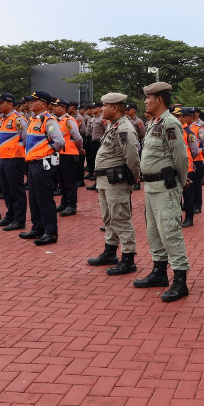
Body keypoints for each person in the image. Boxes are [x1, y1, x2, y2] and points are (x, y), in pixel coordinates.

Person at [132, 82, 193, 302]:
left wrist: (182, 181)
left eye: (148, 98)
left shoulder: (170, 123)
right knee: (154, 232)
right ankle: (159, 272)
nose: (145, 101)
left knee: (170, 232)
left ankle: (180, 280)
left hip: (166, 187)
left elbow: (181, 157)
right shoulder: (153, 123)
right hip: (151, 187)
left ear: (159, 100)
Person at [85, 93, 142, 276]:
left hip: (116, 181)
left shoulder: (124, 128)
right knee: (109, 218)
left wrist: (133, 178)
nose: (101, 109)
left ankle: (128, 259)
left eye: (104, 106)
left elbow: (132, 157)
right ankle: (110, 252)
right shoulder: (113, 126)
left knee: (121, 218)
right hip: (105, 180)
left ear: (115, 108)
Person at [19, 91, 65, 246]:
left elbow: (59, 141)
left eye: (34, 101)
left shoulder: (48, 120)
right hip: (33, 163)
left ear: (44, 104)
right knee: (34, 198)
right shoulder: (33, 120)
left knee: (44, 198)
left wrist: (47, 153)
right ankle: (37, 227)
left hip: (43, 163)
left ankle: (50, 232)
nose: (30, 103)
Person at [0, 93, 29, 231]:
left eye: (1, 103)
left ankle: (19, 219)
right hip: (4, 158)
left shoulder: (18, 119)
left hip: (15, 159)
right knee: (7, 190)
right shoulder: (4, 119)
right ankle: (10, 215)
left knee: (16, 190)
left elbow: (26, 139)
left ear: (10, 104)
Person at [53, 99, 84, 217]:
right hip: (59, 155)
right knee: (62, 181)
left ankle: (71, 205)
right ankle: (64, 203)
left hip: (69, 155)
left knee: (69, 182)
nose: (54, 108)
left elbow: (78, 138)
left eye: (57, 106)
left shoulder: (69, 121)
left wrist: (79, 149)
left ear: (63, 108)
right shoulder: (56, 121)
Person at [178, 108, 200, 227]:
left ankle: (189, 218)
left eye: (178, 116)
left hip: (187, 168)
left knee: (188, 196)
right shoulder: (174, 130)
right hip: (176, 168)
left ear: (185, 117)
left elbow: (195, 151)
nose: (176, 118)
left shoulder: (188, 132)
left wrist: (188, 160)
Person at [188, 110, 204, 214]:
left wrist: (203, 154)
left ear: (190, 117)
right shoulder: (183, 128)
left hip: (197, 160)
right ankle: (189, 204)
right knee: (189, 184)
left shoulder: (198, 128)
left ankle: (197, 205)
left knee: (196, 185)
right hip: (189, 161)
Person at [86, 102, 107, 191]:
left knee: (100, 164)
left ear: (99, 109)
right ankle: (97, 183)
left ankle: (102, 183)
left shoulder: (103, 118)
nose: (92, 109)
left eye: (94, 108)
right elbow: (90, 131)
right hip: (93, 142)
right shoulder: (93, 119)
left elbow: (107, 130)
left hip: (100, 143)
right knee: (95, 163)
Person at [193, 107, 204, 185]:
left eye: (196, 112)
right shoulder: (190, 122)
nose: (194, 113)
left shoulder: (202, 123)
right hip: (193, 146)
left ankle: (201, 178)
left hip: (199, 146)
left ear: (198, 113)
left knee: (200, 166)